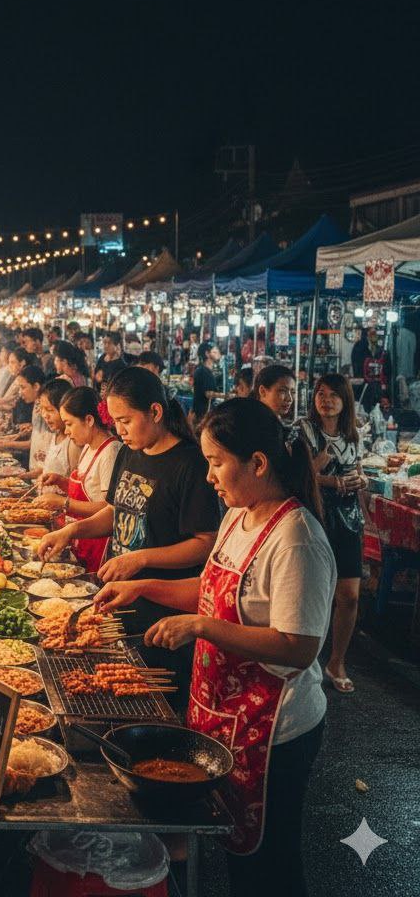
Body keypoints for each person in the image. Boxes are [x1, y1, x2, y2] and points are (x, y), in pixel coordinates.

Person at [96, 398, 334, 897]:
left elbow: (298, 646)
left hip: (274, 729)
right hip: (221, 714)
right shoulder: (237, 517)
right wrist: (144, 587)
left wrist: (202, 627)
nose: (209, 476)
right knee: (229, 850)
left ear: (259, 463)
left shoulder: (295, 538)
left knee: (269, 865)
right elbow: (208, 588)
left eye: (217, 462)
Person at [39, 367, 220, 699]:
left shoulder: (190, 465)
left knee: (153, 704)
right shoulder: (130, 453)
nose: (118, 430)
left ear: (155, 411)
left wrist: (139, 559)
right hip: (120, 602)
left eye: (125, 420)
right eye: (115, 421)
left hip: (163, 614)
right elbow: (115, 511)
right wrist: (72, 530)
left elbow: (204, 544)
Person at [295, 374, 365, 694]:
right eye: (321, 394)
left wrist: (359, 482)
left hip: (348, 518)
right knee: (314, 593)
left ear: (345, 401)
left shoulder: (353, 435)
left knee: (348, 595)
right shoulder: (305, 431)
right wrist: (331, 480)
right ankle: (305, 658)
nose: (326, 400)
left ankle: (337, 661)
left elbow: (359, 472)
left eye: (334, 395)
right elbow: (301, 475)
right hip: (318, 516)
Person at [36, 386, 121, 573]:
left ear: (89, 420)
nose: (66, 431)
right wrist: (59, 481)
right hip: (80, 538)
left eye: (69, 423)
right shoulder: (87, 447)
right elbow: (87, 491)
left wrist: (64, 503)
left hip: (97, 543)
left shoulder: (111, 451)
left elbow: (109, 508)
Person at [28, 378, 74, 478]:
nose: (44, 415)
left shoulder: (73, 442)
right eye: (41, 409)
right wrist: (26, 475)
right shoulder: (55, 435)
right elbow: (50, 469)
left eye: (49, 410)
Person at [351, 325, 390, 412]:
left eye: (376, 331)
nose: (374, 334)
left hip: (378, 389)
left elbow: (386, 371)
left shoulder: (382, 351)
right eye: (371, 332)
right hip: (364, 388)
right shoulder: (359, 347)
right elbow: (357, 369)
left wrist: (384, 390)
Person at [253, 364, 295, 428]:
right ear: (262, 391)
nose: (289, 399)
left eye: (293, 392)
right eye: (282, 391)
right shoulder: (254, 425)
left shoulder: (277, 424)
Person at [192, 341, 224, 425]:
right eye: (214, 351)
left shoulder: (206, 370)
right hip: (203, 415)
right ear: (207, 354)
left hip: (204, 413)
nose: (218, 353)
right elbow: (208, 393)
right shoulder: (203, 371)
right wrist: (225, 396)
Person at [93, 331, 127, 395]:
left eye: (109, 343)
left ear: (116, 345)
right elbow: (96, 375)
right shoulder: (102, 358)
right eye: (104, 343)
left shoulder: (121, 364)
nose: (106, 346)